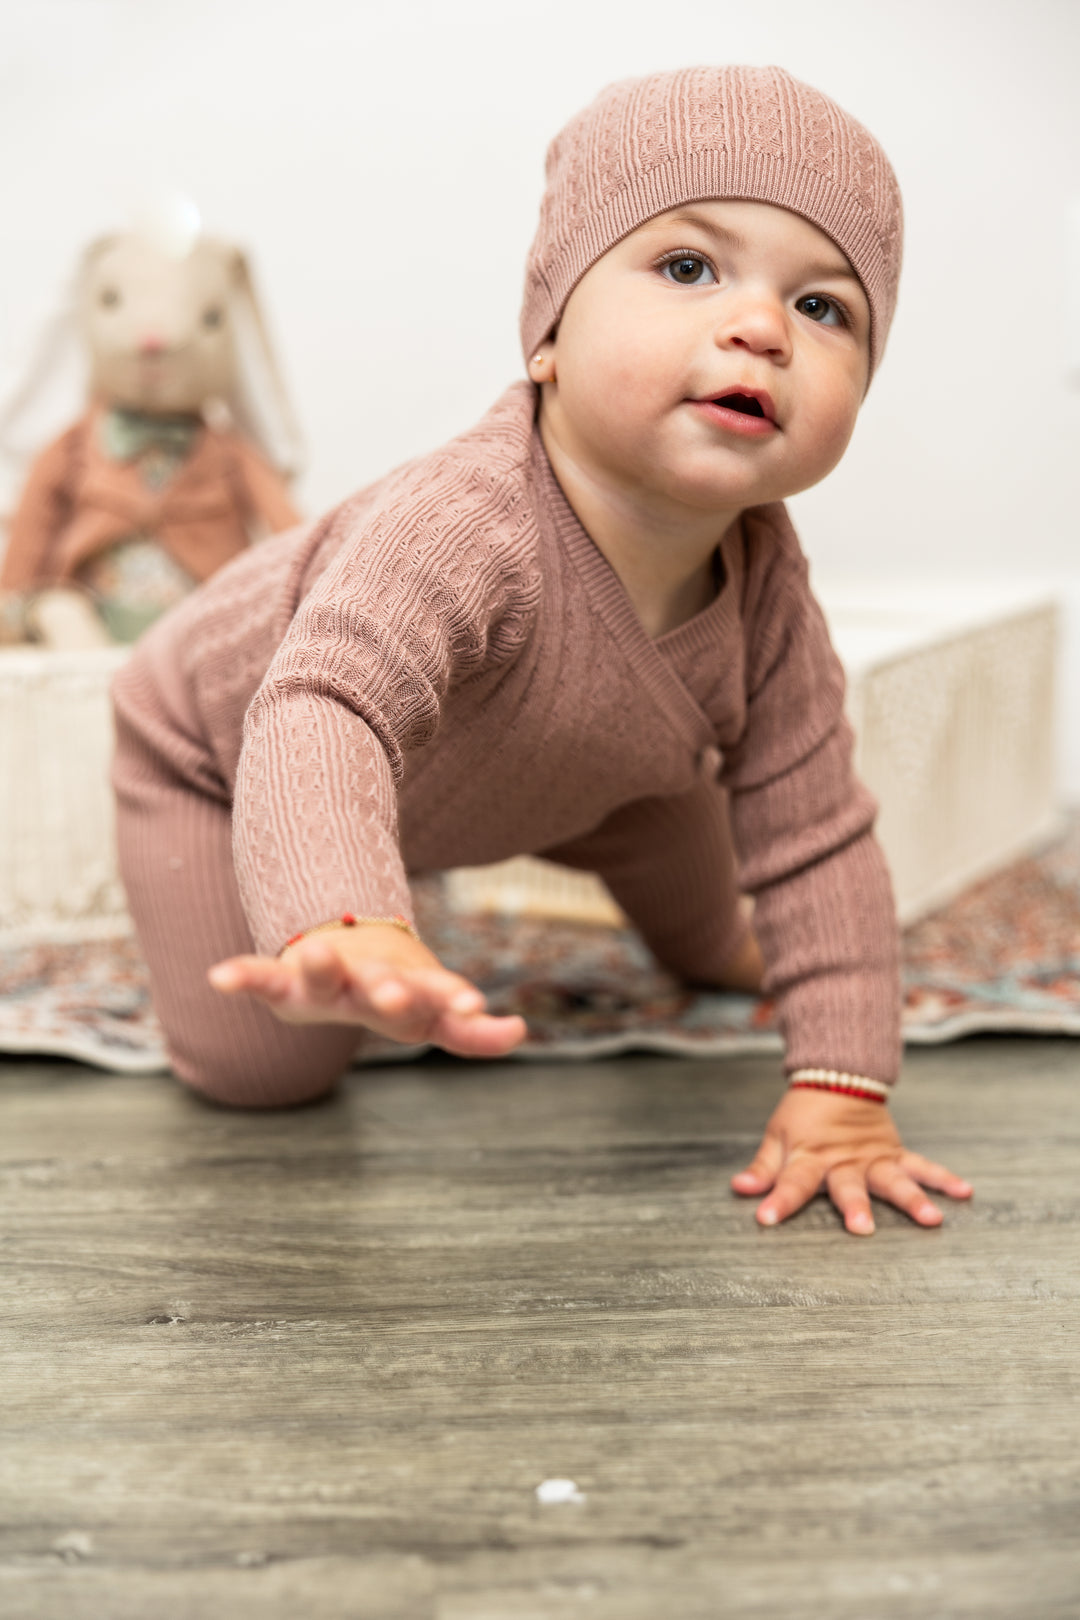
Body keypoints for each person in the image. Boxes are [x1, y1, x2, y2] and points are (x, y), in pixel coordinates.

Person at [111, 64, 973, 1236]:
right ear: (550, 333)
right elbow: (322, 710)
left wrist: (845, 1095)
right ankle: (361, 896)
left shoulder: (769, 589)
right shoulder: (467, 520)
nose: (761, 326)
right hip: (219, 754)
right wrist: (343, 915)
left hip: (569, 764)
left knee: (685, 800)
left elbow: (817, 830)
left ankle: (698, 932)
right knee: (273, 1074)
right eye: (687, 267)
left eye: (825, 308)